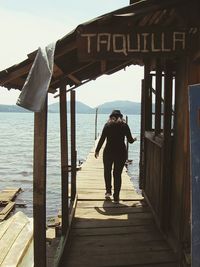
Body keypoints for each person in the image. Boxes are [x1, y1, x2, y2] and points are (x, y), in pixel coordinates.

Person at [95, 110, 136, 203]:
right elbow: (130, 140)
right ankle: (116, 196)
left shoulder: (107, 125)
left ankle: (108, 191)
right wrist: (134, 139)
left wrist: (97, 150)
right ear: (121, 117)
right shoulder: (124, 126)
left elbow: (102, 139)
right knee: (117, 174)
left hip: (108, 152)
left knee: (107, 171)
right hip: (121, 153)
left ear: (111, 117)